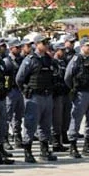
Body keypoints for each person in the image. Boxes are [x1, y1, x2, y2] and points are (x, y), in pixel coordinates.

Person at [16, 35, 56, 163]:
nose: (46, 45)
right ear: (37, 44)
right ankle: (27, 152)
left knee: (46, 124)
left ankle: (44, 151)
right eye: (44, 43)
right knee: (31, 124)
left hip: (47, 95)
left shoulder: (48, 59)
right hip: (34, 96)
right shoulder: (30, 59)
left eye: (47, 43)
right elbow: (19, 79)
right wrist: (26, 92)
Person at [65, 37, 89, 158]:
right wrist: (74, 88)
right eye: (87, 45)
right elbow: (68, 77)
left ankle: (87, 146)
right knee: (76, 120)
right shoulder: (76, 59)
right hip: (80, 93)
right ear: (81, 46)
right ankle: (73, 146)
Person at [51, 43, 72, 153]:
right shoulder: (52, 62)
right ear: (56, 50)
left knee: (66, 116)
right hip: (56, 94)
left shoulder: (64, 62)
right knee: (56, 119)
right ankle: (55, 141)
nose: (64, 52)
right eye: (61, 50)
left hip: (65, 92)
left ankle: (63, 135)